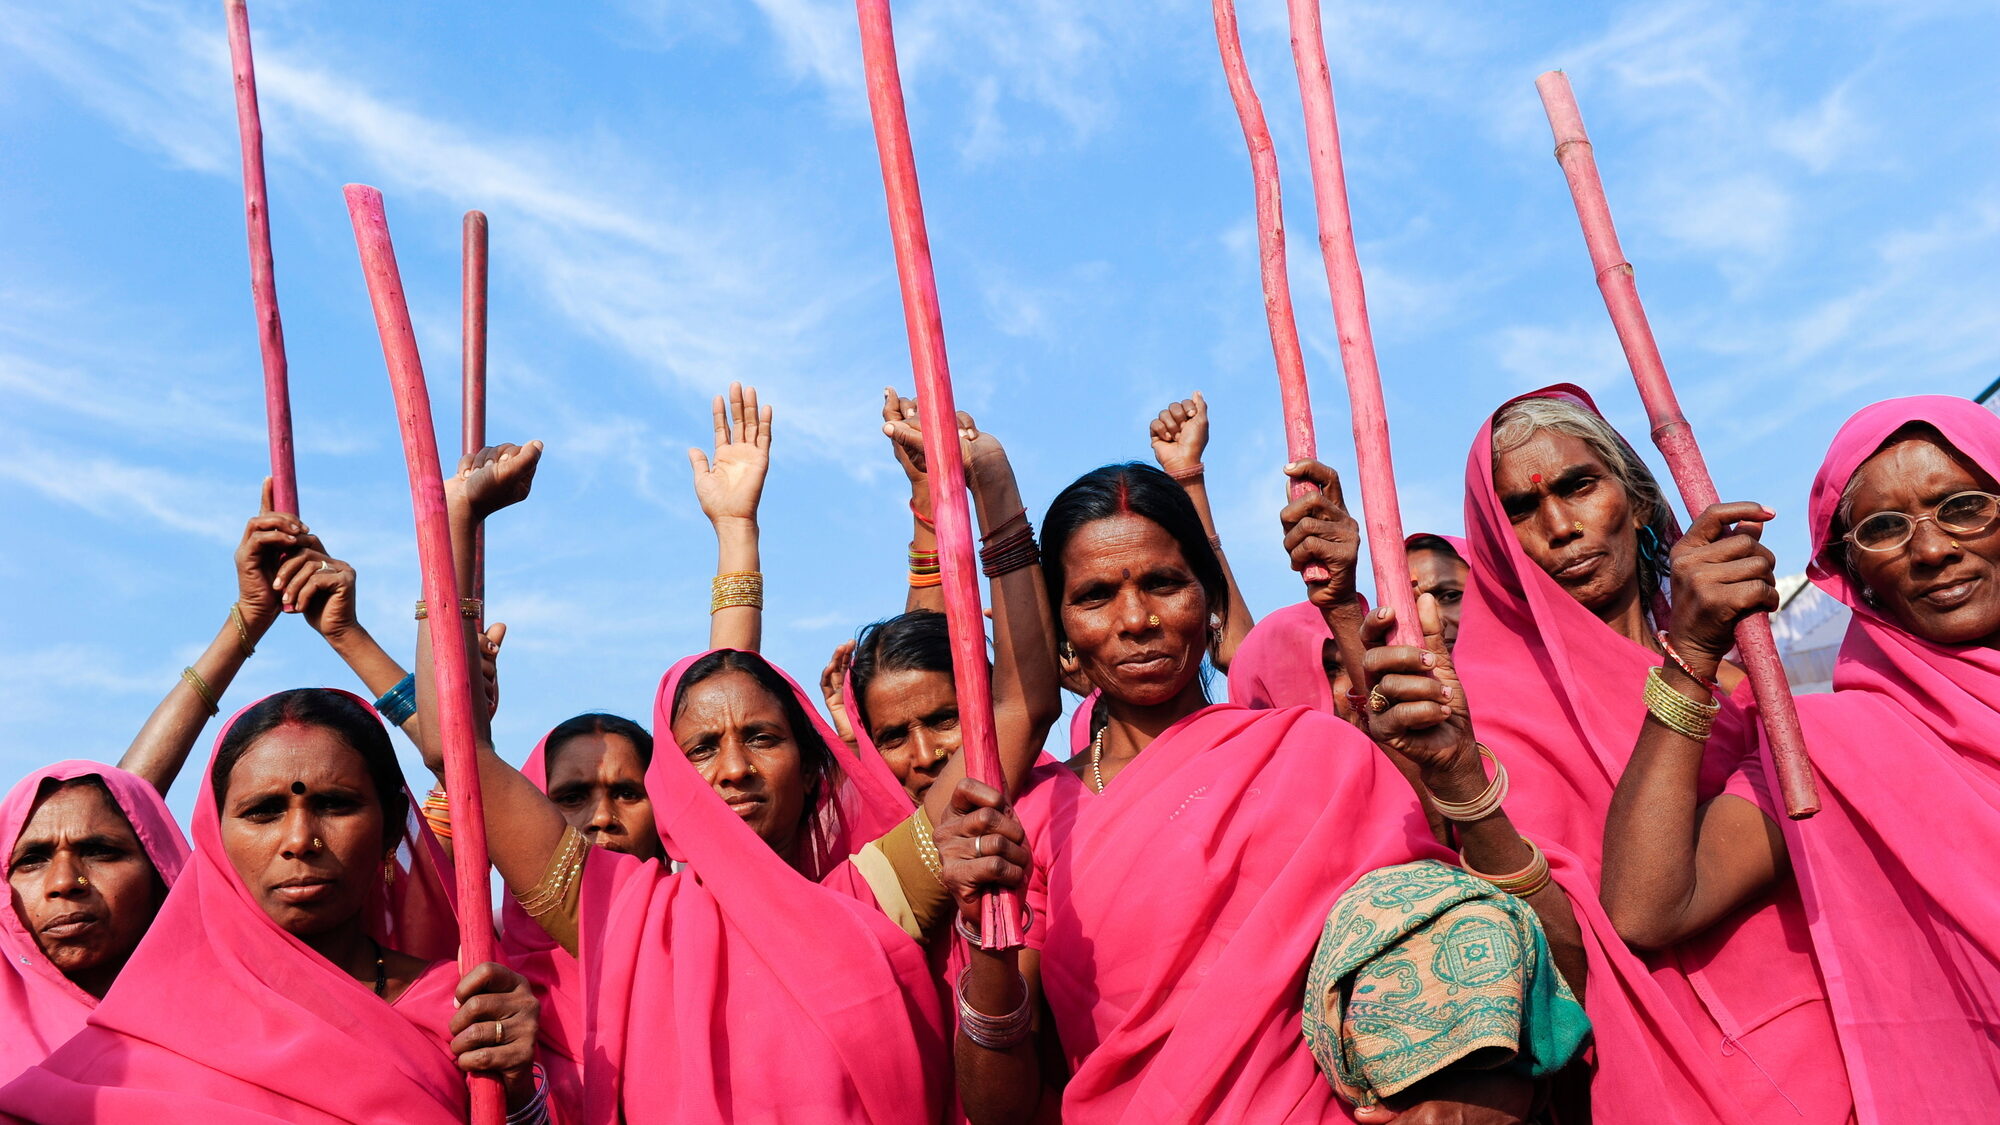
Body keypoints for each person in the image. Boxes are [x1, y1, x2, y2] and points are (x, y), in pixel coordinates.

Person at [941, 459, 1582, 1124]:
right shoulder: (1038, 819)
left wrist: (1343, 607)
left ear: (1212, 600)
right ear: (1064, 628)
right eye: (1096, 595)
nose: (1136, 619)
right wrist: (982, 934)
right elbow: (999, 1112)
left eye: (1163, 583)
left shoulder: (1317, 751)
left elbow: (1453, 926)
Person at [1452, 384, 1848, 1122]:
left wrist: (1701, 660)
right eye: (1520, 509)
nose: (1560, 526)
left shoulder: (1749, 685)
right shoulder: (1480, 722)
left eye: (1578, 485)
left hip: (1828, 1057)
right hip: (1641, 1081)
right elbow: (1608, 924)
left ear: (1635, 500)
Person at [1601, 395, 2000, 1119]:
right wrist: (1692, 652)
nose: (1934, 547)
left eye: (1965, 506)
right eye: (1883, 529)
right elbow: (1649, 904)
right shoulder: (1830, 745)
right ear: (1853, 572)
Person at [0, 689, 545, 1122]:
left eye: (335, 804)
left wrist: (518, 1095)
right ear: (214, 837)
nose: (299, 840)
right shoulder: (144, 1033)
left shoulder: (466, 1009)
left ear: (389, 827)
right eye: (263, 811)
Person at [831, 402, 1060, 805]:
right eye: (893, 737)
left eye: (945, 720)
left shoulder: (1056, 811)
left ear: (991, 697)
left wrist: (985, 480)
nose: (927, 756)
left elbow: (1024, 703)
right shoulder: (876, 856)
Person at [1, 765, 187, 1082]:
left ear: (160, 871)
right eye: (32, 859)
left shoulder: (238, 1022)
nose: (64, 882)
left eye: (100, 851)